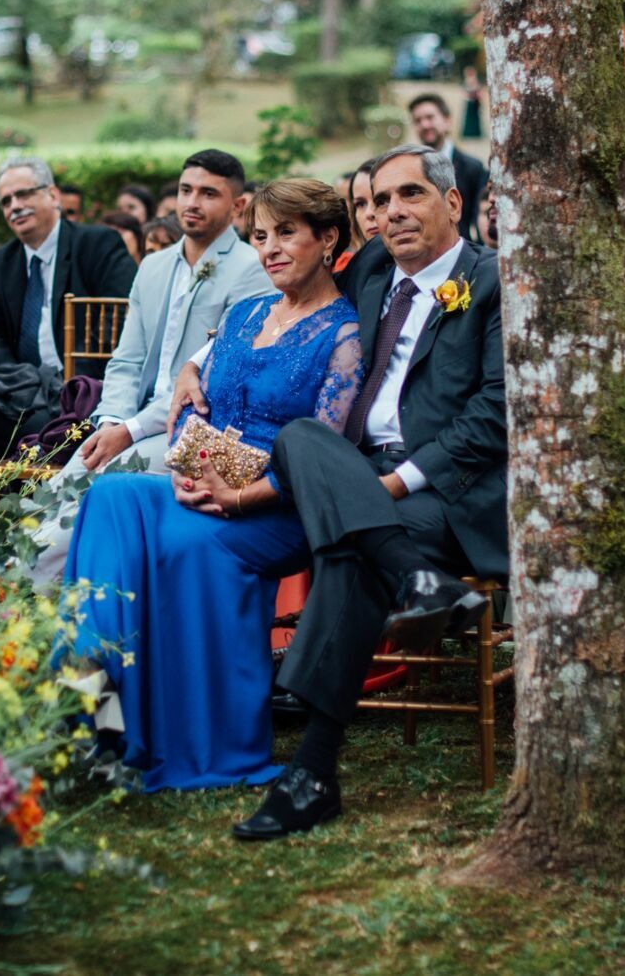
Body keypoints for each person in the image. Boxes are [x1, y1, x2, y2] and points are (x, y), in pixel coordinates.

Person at [182, 144, 508, 841]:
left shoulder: (491, 282)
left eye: (411, 195)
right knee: (302, 434)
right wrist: (195, 361)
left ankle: (313, 772)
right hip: (348, 471)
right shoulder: (370, 268)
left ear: (453, 204)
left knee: (354, 550)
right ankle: (418, 578)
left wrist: (394, 481)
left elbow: (495, 413)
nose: (392, 212)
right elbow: (282, 306)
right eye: (381, 200)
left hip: (443, 486)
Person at [61, 178, 361, 792]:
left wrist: (239, 493)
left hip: (274, 509)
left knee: (183, 546)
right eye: (259, 237)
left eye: (285, 234)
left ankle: (177, 731)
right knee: (111, 496)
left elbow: (325, 455)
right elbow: (198, 395)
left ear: (327, 238)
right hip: (196, 482)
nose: (270, 249)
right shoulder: (248, 311)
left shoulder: (344, 337)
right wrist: (187, 415)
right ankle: (96, 690)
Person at [29, 150, 271, 586]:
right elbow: (126, 360)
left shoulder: (252, 272)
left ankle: (18, 596)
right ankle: (2, 575)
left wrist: (131, 431)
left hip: (196, 431)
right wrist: (112, 420)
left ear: (238, 207)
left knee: (90, 501)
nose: (191, 202)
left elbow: (214, 382)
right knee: (51, 497)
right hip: (130, 421)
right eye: (185, 190)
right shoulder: (153, 266)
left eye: (208, 193)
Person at [0, 157, 138, 454]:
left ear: (52, 195)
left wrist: (66, 386)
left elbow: (121, 321)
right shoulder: (1, 262)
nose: (14, 206)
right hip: (22, 391)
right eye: (6, 201)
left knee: (37, 427)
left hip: (83, 390)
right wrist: (24, 382)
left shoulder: (97, 244)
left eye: (23, 194)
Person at [407, 92, 487, 241]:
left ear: (447, 121)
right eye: (418, 120)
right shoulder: (409, 170)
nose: (424, 125)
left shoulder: (473, 168)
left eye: (430, 117)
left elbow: (480, 220)